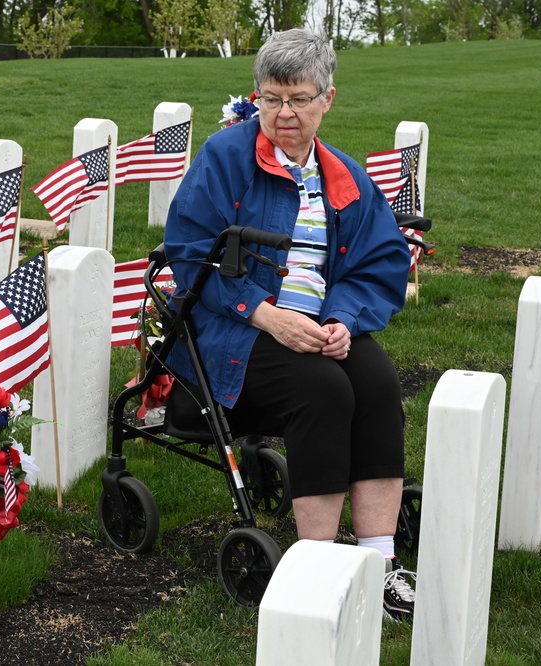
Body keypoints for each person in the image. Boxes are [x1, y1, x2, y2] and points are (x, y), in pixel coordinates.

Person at [163, 28, 416, 621]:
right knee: (323, 391)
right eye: (272, 98)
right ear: (256, 96)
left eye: (299, 98)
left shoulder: (345, 176)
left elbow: (377, 263)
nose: (284, 113)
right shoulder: (227, 158)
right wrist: (267, 314)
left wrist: (343, 320)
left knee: (376, 383)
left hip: (314, 324)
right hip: (233, 329)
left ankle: (379, 563)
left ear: (328, 98)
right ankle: (318, 569)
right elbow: (190, 248)